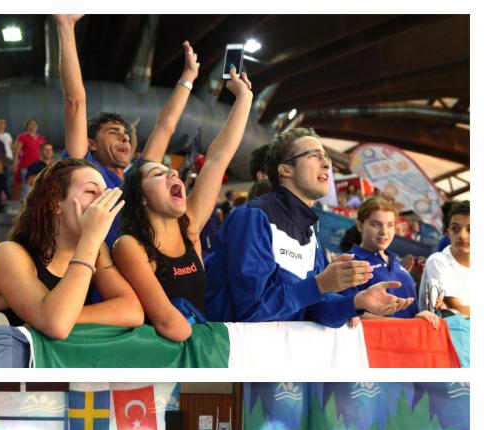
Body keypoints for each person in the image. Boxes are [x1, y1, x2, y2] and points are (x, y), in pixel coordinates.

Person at [205, 127, 412, 326]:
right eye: (314, 155)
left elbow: (315, 309)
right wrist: (320, 284)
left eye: (326, 157)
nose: (326, 165)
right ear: (285, 170)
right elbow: (253, 310)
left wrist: (357, 302)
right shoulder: (253, 217)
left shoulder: (310, 230)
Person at [113, 68, 254, 341]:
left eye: (171, 170)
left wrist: (243, 98)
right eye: (157, 173)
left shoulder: (188, 228)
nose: (172, 173)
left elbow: (218, 159)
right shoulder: (131, 246)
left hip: (192, 349)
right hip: (158, 357)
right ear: (140, 196)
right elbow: (167, 323)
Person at [58, 13, 200, 248]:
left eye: (125, 132)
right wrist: (65, 25)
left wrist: (188, 77)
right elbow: (75, 101)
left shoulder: (139, 178)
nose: (124, 136)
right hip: (96, 277)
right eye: (113, 131)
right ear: (91, 143)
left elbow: (165, 127)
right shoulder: (87, 170)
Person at [0, 158, 143, 338]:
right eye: (91, 191)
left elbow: (133, 311)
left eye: (106, 194)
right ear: (55, 202)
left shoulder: (98, 250)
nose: (103, 203)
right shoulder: (9, 253)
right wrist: (90, 238)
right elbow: (56, 324)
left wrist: (73, 316)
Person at [346, 196, 440, 326]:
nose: (384, 232)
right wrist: (407, 324)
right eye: (376, 224)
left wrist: (420, 314)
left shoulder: (395, 261)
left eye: (390, 225)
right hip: (378, 343)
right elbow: (349, 313)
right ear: (360, 226)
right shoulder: (350, 262)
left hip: (410, 340)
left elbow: (410, 308)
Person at [419, 200, 469, 318]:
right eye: (455, 229)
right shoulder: (437, 261)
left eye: (470, 230)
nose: (462, 235)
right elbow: (455, 310)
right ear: (448, 233)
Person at [14, 120, 47, 196]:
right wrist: (15, 164)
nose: (33, 126)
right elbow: (17, 152)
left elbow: (44, 152)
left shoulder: (41, 138)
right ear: (27, 127)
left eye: (35, 124)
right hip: (26, 165)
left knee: (39, 186)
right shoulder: (22, 137)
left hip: (39, 166)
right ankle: (25, 206)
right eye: (31, 124)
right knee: (27, 187)